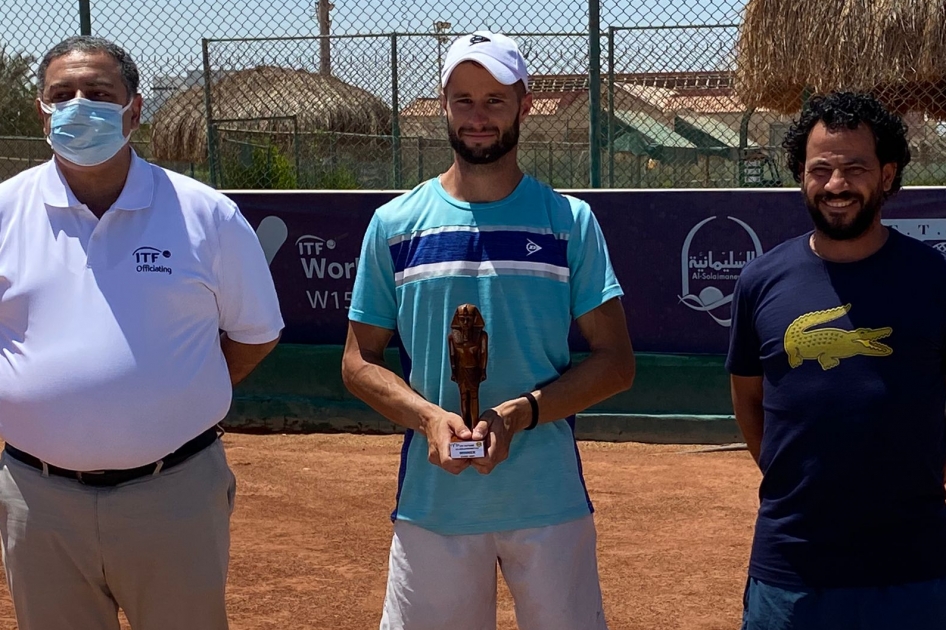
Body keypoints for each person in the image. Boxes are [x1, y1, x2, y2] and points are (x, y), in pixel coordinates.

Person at [342, 30, 635, 630]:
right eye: (465, 100)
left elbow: (615, 362)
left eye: (496, 100)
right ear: (443, 105)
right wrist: (428, 417)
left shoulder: (568, 221)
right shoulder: (395, 224)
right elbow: (358, 362)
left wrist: (521, 413)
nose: (479, 117)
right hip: (433, 505)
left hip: (548, 500)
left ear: (525, 105)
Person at [0, 36, 283, 629]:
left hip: (174, 493)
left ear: (134, 108)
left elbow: (255, 335)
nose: (79, 105)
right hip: (37, 498)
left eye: (99, 93)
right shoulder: (5, 211)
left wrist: (178, 393)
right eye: (62, 94)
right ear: (41, 109)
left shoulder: (207, 214)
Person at [727, 91, 946, 629]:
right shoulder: (761, 281)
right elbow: (750, 405)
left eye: (855, 167)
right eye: (820, 168)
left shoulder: (934, 279)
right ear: (801, 175)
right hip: (792, 569)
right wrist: (802, 487)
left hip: (914, 569)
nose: (836, 185)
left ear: (889, 175)